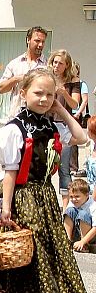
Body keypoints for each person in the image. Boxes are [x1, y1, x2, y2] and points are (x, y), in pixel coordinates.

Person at [0, 68, 87, 293]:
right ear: (23, 93)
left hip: (45, 197)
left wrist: (61, 110)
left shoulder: (52, 125)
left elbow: (82, 137)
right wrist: (5, 207)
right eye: (38, 93)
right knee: (39, 255)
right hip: (24, 196)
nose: (43, 98)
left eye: (49, 94)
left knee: (25, 257)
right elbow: (9, 170)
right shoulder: (15, 129)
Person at [48, 49, 81, 209]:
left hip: (64, 126)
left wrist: (63, 93)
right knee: (46, 164)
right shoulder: (47, 77)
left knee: (64, 167)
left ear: (66, 65)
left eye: (60, 63)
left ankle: (66, 205)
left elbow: (75, 104)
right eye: (54, 62)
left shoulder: (72, 81)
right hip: (47, 125)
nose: (56, 65)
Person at [0, 26, 48, 119]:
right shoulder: (15, 64)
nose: (41, 45)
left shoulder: (47, 66)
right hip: (16, 116)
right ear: (28, 40)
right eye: (37, 41)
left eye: (43, 42)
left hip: (39, 119)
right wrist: (16, 79)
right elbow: (1, 89)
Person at [63, 178, 96, 252]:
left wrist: (83, 241)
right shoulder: (73, 202)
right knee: (69, 211)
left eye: (77, 196)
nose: (74, 199)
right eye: (71, 197)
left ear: (87, 195)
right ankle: (67, 240)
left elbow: (95, 228)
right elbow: (68, 215)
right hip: (77, 231)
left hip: (90, 236)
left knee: (83, 214)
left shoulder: (93, 206)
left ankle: (85, 245)